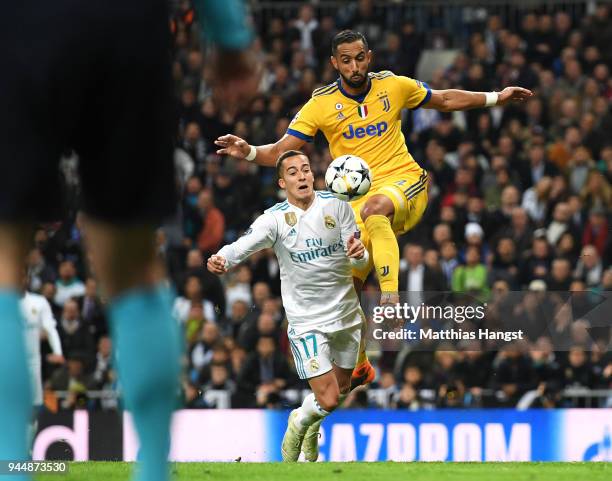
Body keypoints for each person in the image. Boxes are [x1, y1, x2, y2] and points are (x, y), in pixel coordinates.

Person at [0, 1, 257, 480]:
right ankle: (154, 469)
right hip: (127, 30)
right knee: (133, 267)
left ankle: (9, 467)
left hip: (17, 28)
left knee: (3, 265)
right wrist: (229, 35)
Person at [215, 29, 533, 390]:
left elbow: (443, 99)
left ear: (369, 55)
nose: (354, 66)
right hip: (357, 202)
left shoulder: (392, 86)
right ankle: (361, 363)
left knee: (376, 209)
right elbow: (281, 151)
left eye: (360, 57)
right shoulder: (321, 104)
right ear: (335, 63)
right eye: (346, 60)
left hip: (405, 184)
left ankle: (390, 299)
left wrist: (496, 97)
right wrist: (250, 151)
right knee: (341, 283)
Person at [208, 151, 368, 462]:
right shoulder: (275, 219)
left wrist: (359, 254)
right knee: (330, 398)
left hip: (347, 315)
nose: (302, 176)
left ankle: (309, 427)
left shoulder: (338, 205)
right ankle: (298, 422)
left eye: (306, 170)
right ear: (283, 182)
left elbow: (358, 257)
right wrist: (223, 258)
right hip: (307, 321)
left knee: (344, 387)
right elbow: (246, 242)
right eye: (293, 173)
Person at [19, 281, 64, 448]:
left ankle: (27, 452)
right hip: (8, 362)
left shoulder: (39, 302)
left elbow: (51, 328)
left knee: (34, 408)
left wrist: (58, 351)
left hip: (32, 363)